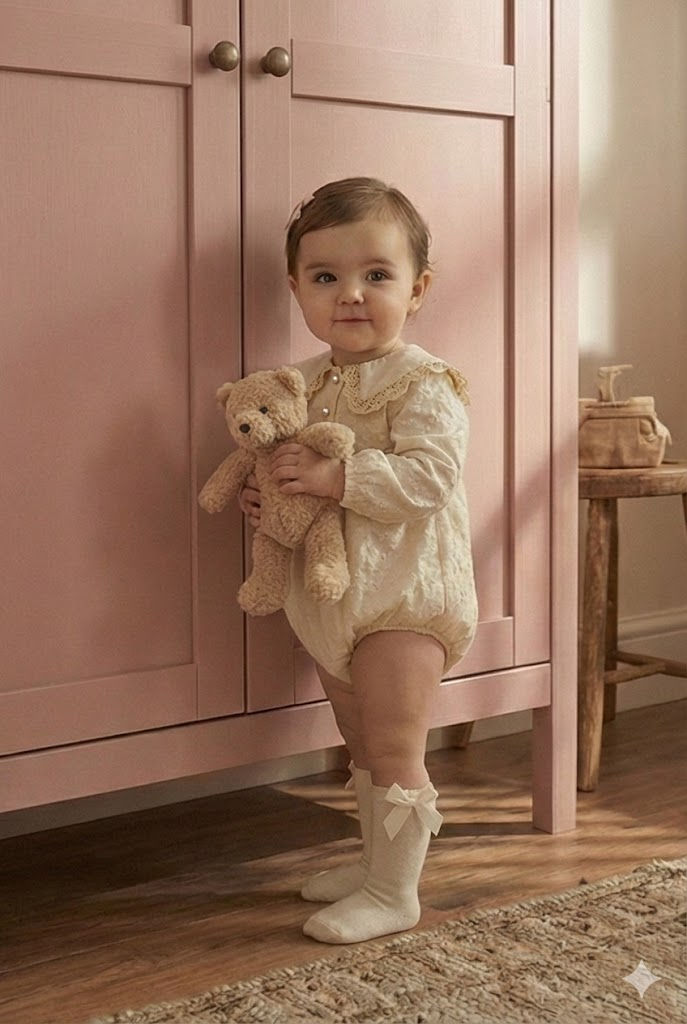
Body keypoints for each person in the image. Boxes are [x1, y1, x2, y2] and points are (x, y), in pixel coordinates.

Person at [239, 177, 478, 944]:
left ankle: (394, 892)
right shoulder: (298, 385)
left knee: (395, 739)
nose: (350, 295)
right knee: (357, 734)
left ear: (417, 290)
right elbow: (281, 468)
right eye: (325, 278)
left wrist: (337, 477)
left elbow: (430, 477)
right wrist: (263, 500)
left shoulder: (423, 382)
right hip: (331, 598)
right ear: (296, 290)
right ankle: (377, 858)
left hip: (406, 595)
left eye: (376, 275)